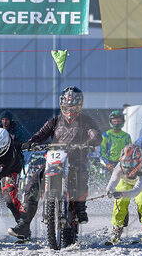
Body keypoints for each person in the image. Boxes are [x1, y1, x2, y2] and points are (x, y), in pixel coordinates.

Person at [23, 86, 101, 224]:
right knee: (34, 182)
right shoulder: (54, 121)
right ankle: (24, 224)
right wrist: (31, 142)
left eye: (73, 106)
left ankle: (80, 210)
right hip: (55, 159)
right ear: (62, 104)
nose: (70, 109)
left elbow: (94, 134)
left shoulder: (86, 121)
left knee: (81, 175)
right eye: (67, 106)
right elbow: (40, 134)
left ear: (80, 105)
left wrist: (92, 140)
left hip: (76, 159)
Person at [105, 144, 142, 244]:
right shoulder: (119, 167)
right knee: (119, 201)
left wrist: (122, 193)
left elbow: (137, 190)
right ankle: (117, 228)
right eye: (125, 162)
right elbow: (112, 182)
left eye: (130, 163)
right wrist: (109, 190)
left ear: (138, 161)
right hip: (126, 181)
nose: (127, 165)